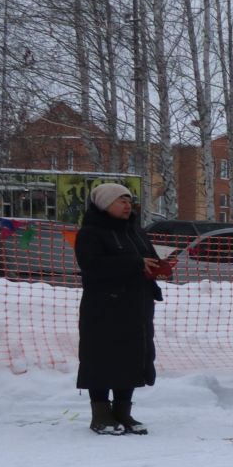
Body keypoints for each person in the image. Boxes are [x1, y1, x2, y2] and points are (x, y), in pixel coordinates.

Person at [76, 182, 164, 435]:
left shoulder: (134, 230)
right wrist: (135, 264)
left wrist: (159, 267)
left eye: (129, 200)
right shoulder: (91, 232)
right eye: (121, 200)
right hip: (104, 307)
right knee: (102, 358)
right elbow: (91, 265)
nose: (127, 205)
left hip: (137, 305)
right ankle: (101, 415)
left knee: (133, 358)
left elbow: (146, 257)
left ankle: (123, 412)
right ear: (104, 204)